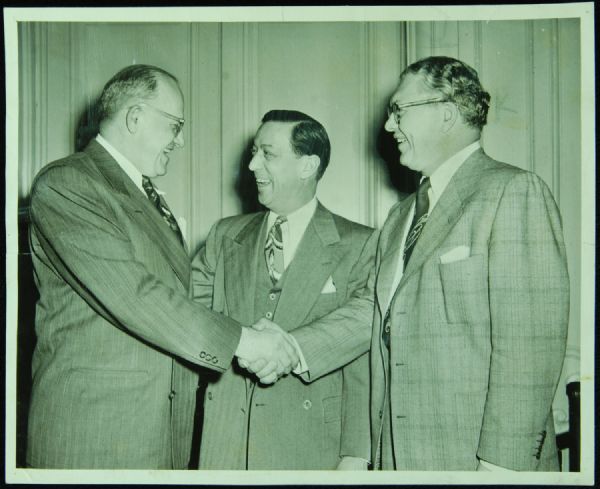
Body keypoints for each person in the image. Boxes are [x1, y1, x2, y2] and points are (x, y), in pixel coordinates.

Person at [26, 64, 299, 469]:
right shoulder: (69, 183)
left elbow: (177, 299)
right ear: (134, 118)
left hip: (159, 433)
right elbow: (135, 296)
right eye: (175, 125)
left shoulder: (146, 196)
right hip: (96, 436)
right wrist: (244, 341)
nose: (181, 139)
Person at [370, 56, 569, 471]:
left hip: (480, 463)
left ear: (445, 114)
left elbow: (529, 348)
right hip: (396, 459)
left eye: (398, 110)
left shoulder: (513, 192)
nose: (389, 126)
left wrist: (502, 468)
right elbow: (374, 321)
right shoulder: (397, 219)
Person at [192, 110, 378, 470]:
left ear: (308, 165)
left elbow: (363, 360)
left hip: (310, 450)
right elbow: (190, 319)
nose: (251, 165)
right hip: (226, 446)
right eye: (253, 152)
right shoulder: (223, 236)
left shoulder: (360, 244)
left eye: (267, 154)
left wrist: (356, 454)